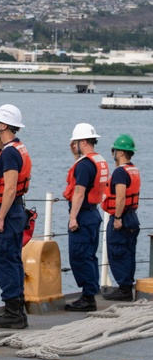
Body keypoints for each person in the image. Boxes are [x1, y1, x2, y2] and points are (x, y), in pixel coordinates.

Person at [0, 104, 32, 329]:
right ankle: (16, 310)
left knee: (4, 261)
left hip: (7, 211)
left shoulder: (10, 153)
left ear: (3, 125)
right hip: (15, 210)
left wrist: (0, 217)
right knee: (12, 260)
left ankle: (13, 313)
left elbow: (9, 188)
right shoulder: (16, 148)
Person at [63, 123, 110, 311]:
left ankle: (88, 297)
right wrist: (76, 155)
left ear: (82, 142)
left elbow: (80, 192)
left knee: (79, 255)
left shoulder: (84, 165)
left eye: (75, 142)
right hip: (93, 213)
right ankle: (89, 292)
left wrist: (72, 218)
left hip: (83, 215)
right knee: (89, 255)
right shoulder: (98, 160)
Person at [102, 134, 141, 301]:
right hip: (132, 216)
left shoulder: (120, 172)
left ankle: (124, 289)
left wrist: (117, 218)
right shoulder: (134, 170)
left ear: (119, 153)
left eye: (114, 150)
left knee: (118, 252)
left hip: (122, 216)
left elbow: (120, 197)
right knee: (129, 252)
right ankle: (126, 286)